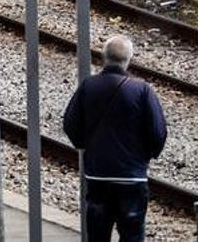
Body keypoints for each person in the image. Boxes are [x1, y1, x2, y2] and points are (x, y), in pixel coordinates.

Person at [63, 34, 167, 242]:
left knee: (98, 236)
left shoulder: (88, 86)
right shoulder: (142, 90)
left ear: (104, 57)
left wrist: (85, 146)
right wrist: (146, 156)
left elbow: (70, 124)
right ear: (128, 59)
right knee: (132, 235)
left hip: (98, 177)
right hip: (132, 177)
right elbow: (158, 132)